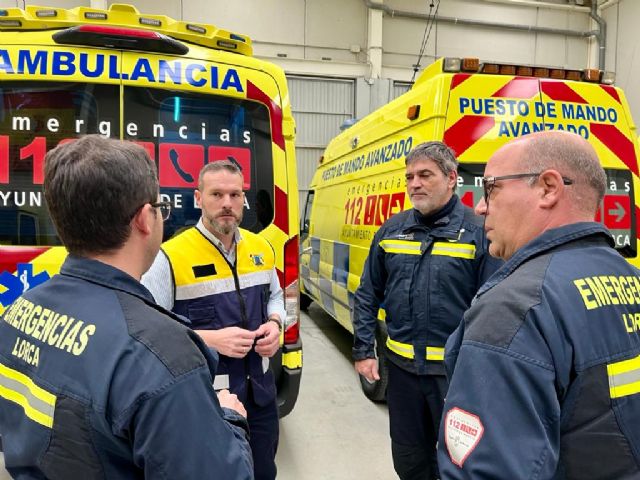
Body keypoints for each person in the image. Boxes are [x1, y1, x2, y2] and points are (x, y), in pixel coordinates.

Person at [0, 135, 253, 479]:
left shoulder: (18, 311)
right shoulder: (162, 354)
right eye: (160, 208)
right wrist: (229, 419)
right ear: (145, 220)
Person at [438, 130, 640, 479]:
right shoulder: (630, 278)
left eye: (491, 188)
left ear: (548, 188)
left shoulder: (515, 308)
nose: (480, 205)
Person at [353, 141, 501, 480]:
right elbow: (367, 294)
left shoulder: (479, 233)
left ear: (451, 178)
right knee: (408, 458)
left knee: (457, 462)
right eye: (409, 177)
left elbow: (494, 310)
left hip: (455, 378)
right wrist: (364, 350)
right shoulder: (392, 231)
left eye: (424, 175)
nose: (414, 184)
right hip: (402, 376)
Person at [142, 160, 284, 480]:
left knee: (263, 470)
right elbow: (148, 330)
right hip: (205, 400)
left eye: (235, 195)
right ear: (197, 198)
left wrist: (276, 324)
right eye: (216, 194)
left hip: (260, 394)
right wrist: (210, 339)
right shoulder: (170, 257)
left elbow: (276, 296)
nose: (227, 204)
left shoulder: (262, 248)